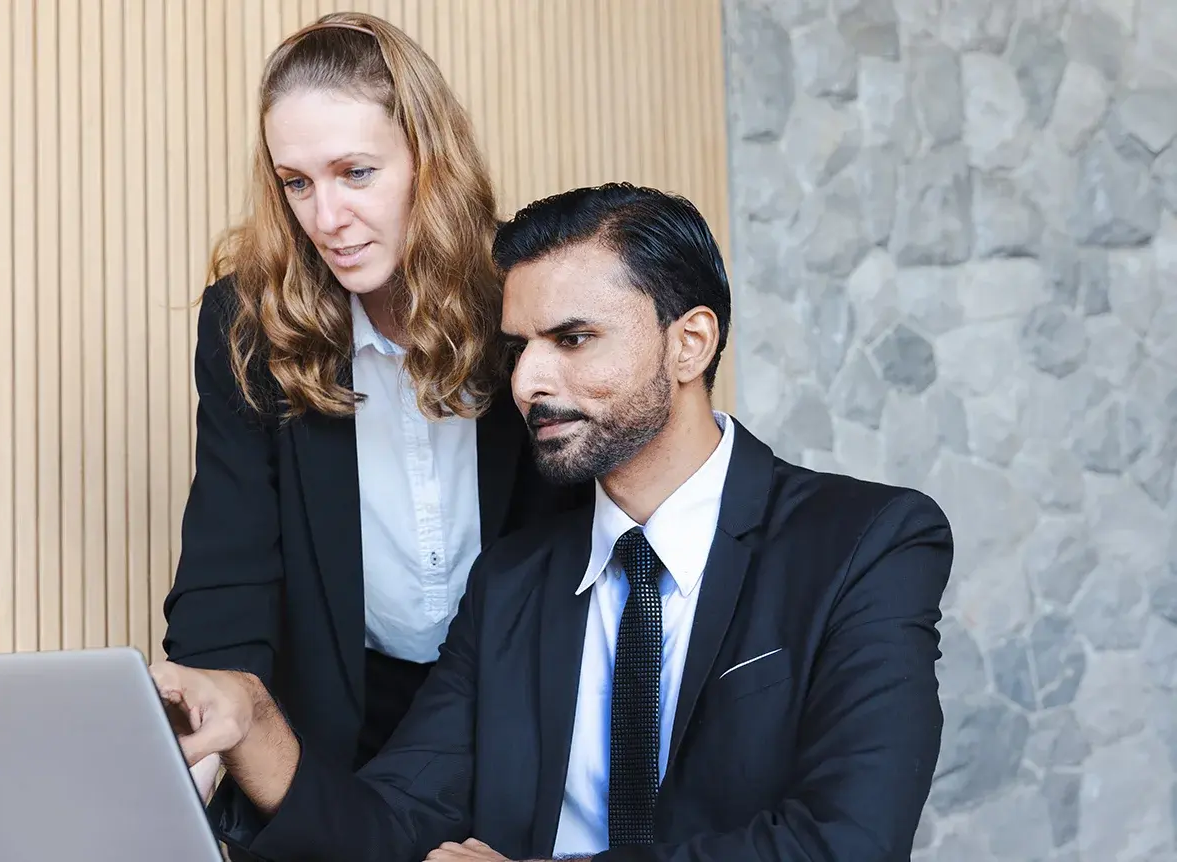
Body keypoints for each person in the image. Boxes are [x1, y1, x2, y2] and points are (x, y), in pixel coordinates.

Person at [152, 183, 954, 862]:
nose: (530, 379)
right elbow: (387, 824)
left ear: (690, 343)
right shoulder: (511, 582)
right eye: (519, 347)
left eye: (573, 339)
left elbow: (845, 841)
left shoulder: (865, 543)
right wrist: (254, 724)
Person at [160, 8, 586, 836]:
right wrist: (200, 755)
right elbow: (229, 566)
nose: (325, 219)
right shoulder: (247, 323)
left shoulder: (527, 294)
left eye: (356, 172)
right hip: (334, 721)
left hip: (518, 702)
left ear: (429, 158)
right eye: (298, 182)